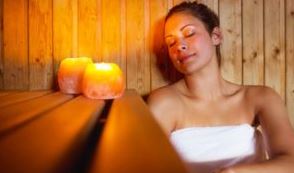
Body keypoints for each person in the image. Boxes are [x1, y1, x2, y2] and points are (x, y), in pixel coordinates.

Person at [147, 1, 294, 173]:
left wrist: (232, 172)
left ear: (216, 36)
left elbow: (290, 162)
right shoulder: (164, 101)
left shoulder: (260, 97)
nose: (180, 46)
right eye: (171, 42)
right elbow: (147, 166)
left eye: (189, 33)